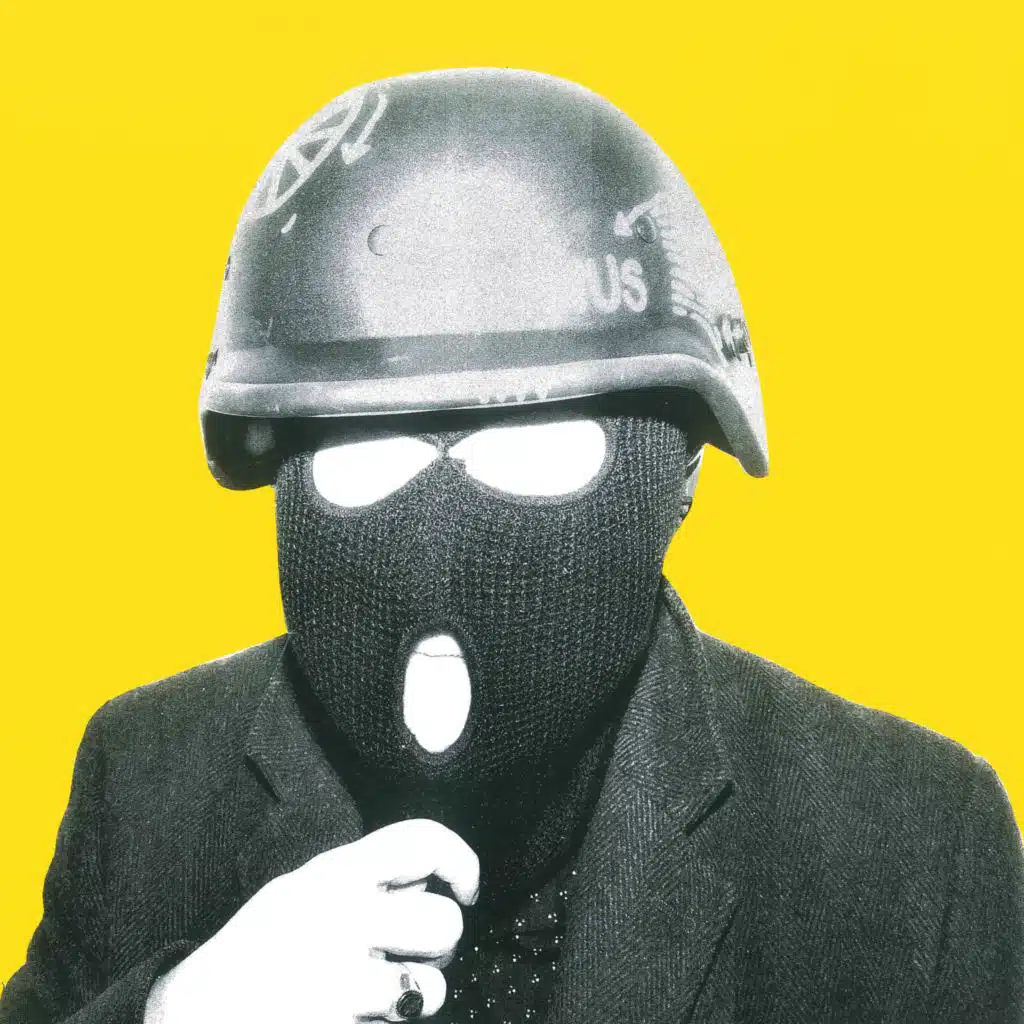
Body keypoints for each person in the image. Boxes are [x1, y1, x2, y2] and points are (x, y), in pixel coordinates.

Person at [2, 68, 1021, 1024]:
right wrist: (177, 1010)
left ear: (677, 472)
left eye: (535, 450)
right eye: (366, 452)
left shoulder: (911, 844)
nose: (440, 530)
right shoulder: (147, 780)